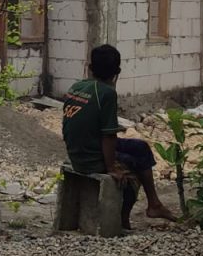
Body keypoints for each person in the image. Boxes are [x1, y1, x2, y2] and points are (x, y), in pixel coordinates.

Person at [62, 44, 176, 229]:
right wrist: (111, 167)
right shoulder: (107, 94)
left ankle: (154, 204)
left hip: (78, 149)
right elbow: (108, 136)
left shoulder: (77, 86)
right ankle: (122, 220)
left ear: (90, 68)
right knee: (132, 168)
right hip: (90, 158)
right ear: (117, 72)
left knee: (141, 147)